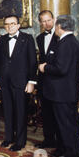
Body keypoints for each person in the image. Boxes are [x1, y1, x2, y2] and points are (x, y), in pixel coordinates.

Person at [39, 15, 79, 157]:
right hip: (68, 93)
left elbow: (61, 69)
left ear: (59, 27)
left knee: (67, 129)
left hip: (62, 94)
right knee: (70, 128)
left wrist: (45, 67)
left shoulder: (65, 43)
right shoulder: (75, 43)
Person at [0, 15, 37, 151]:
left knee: (20, 111)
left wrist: (31, 81)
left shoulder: (27, 39)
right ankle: (8, 138)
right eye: (6, 24)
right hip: (4, 81)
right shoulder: (2, 39)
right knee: (7, 111)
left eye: (12, 24)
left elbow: (32, 61)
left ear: (18, 25)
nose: (9, 26)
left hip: (21, 81)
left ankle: (20, 141)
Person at [35, 10, 60, 149]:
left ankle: (60, 144)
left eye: (48, 20)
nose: (46, 23)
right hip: (44, 82)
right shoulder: (39, 38)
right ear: (40, 23)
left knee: (57, 115)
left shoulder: (60, 37)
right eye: (43, 21)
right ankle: (48, 140)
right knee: (46, 113)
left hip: (57, 81)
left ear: (54, 19)